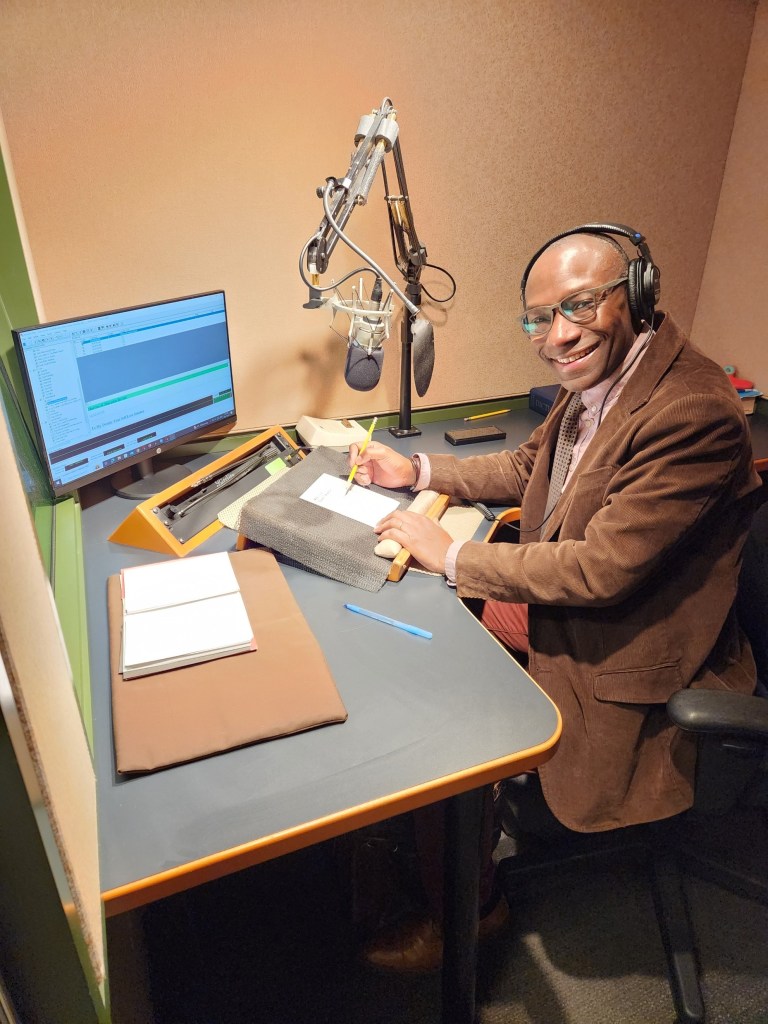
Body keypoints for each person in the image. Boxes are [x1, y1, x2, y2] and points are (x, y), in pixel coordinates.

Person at [348, 224, 763, 969]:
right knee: (425, 632)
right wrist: (417, 473)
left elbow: (601, 569)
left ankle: (471, 910)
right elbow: (526, 467)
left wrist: (455, 555)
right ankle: (420, 836)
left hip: (636, 645)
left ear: (636, 295)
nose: (557, 335)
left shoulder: (690, 411)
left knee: (443, 694)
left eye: (579, 305)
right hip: (604, 607)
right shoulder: (601, 381)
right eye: (539, 318)